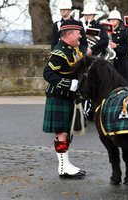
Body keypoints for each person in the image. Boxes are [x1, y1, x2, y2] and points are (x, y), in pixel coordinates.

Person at [43, 19, 86, 178]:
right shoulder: (59, 53)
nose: (80, 36)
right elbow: (47, 73)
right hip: (58, 96)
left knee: (67, 132)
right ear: (69, 35)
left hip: (68, 97)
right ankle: (63, 167)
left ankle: (65, 164)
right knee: (62, 132)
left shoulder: (73, 49)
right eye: (78, 33)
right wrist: (68, 84)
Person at [107, 8, 128, 80]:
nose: (112, 21)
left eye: (114, 19)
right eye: (111, 19)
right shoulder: (105, 33)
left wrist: (116, 46)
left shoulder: (124, 33)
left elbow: (127, 49)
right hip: (107, 63)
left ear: (119, 21)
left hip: (119, 64)